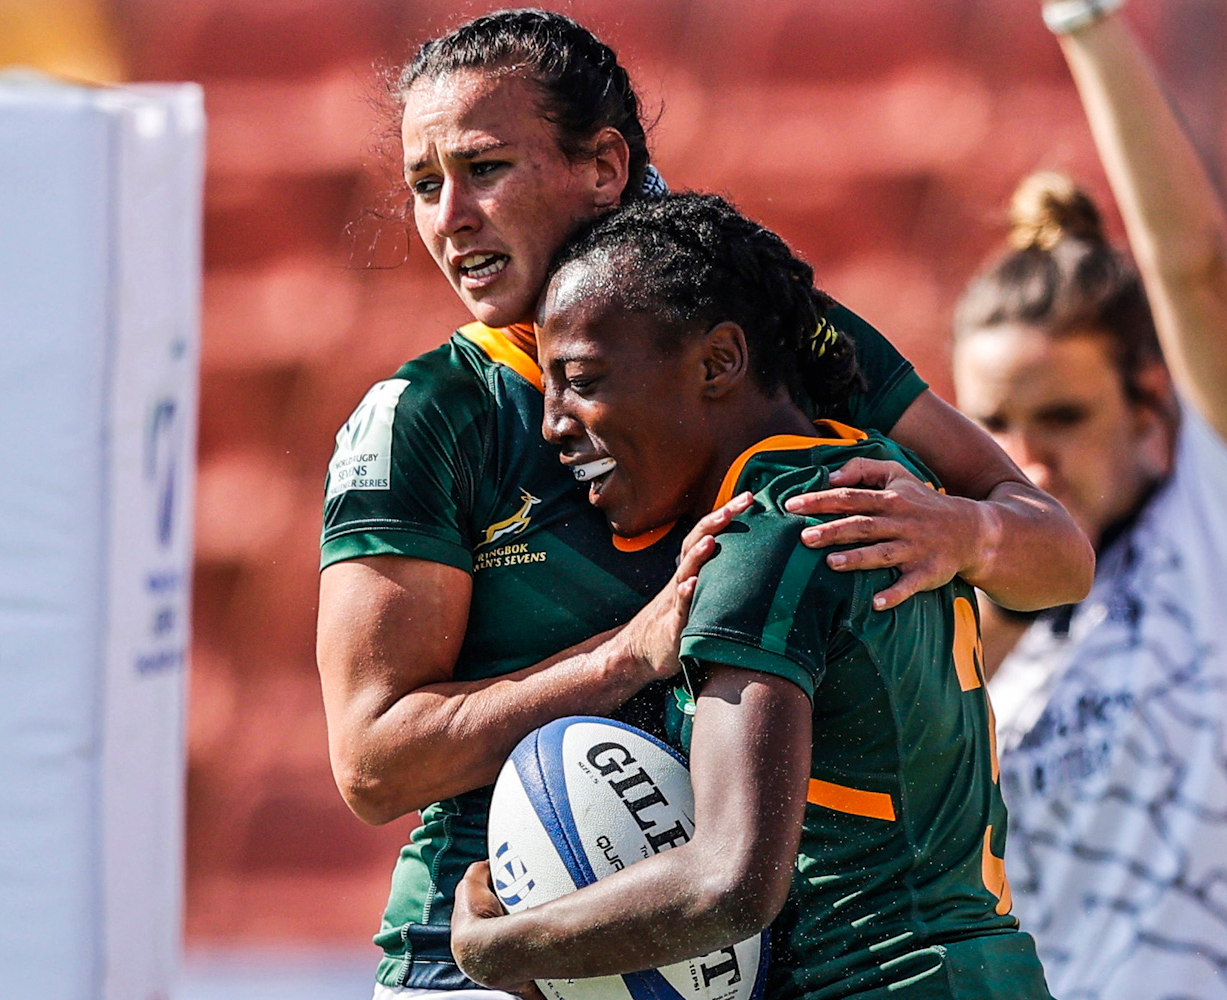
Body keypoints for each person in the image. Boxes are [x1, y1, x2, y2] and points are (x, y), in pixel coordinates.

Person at [316, 10, 1092, 999]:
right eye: (425, 185)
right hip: (485, 947)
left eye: (485, 168)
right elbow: (372, 765)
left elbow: (1059, 554)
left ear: (605, 166)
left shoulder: (754, 326)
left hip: (716, 948)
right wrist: (623, 658)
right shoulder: (427, 416)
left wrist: (967, 530)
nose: (450, 216)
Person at [450, 191, 1053, 1000]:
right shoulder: (883, 474)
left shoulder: (764, 537)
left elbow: (729, 881)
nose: (554, 423)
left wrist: (504, 947)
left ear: (719, 362)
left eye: (582, 380)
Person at [942, 3, 1227, 998]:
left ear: (1151, 410)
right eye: (994, 423)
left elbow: (1196, 273)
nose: (1027, 459)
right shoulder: (944, 639)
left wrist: (1086, 23)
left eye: (1063, 417)